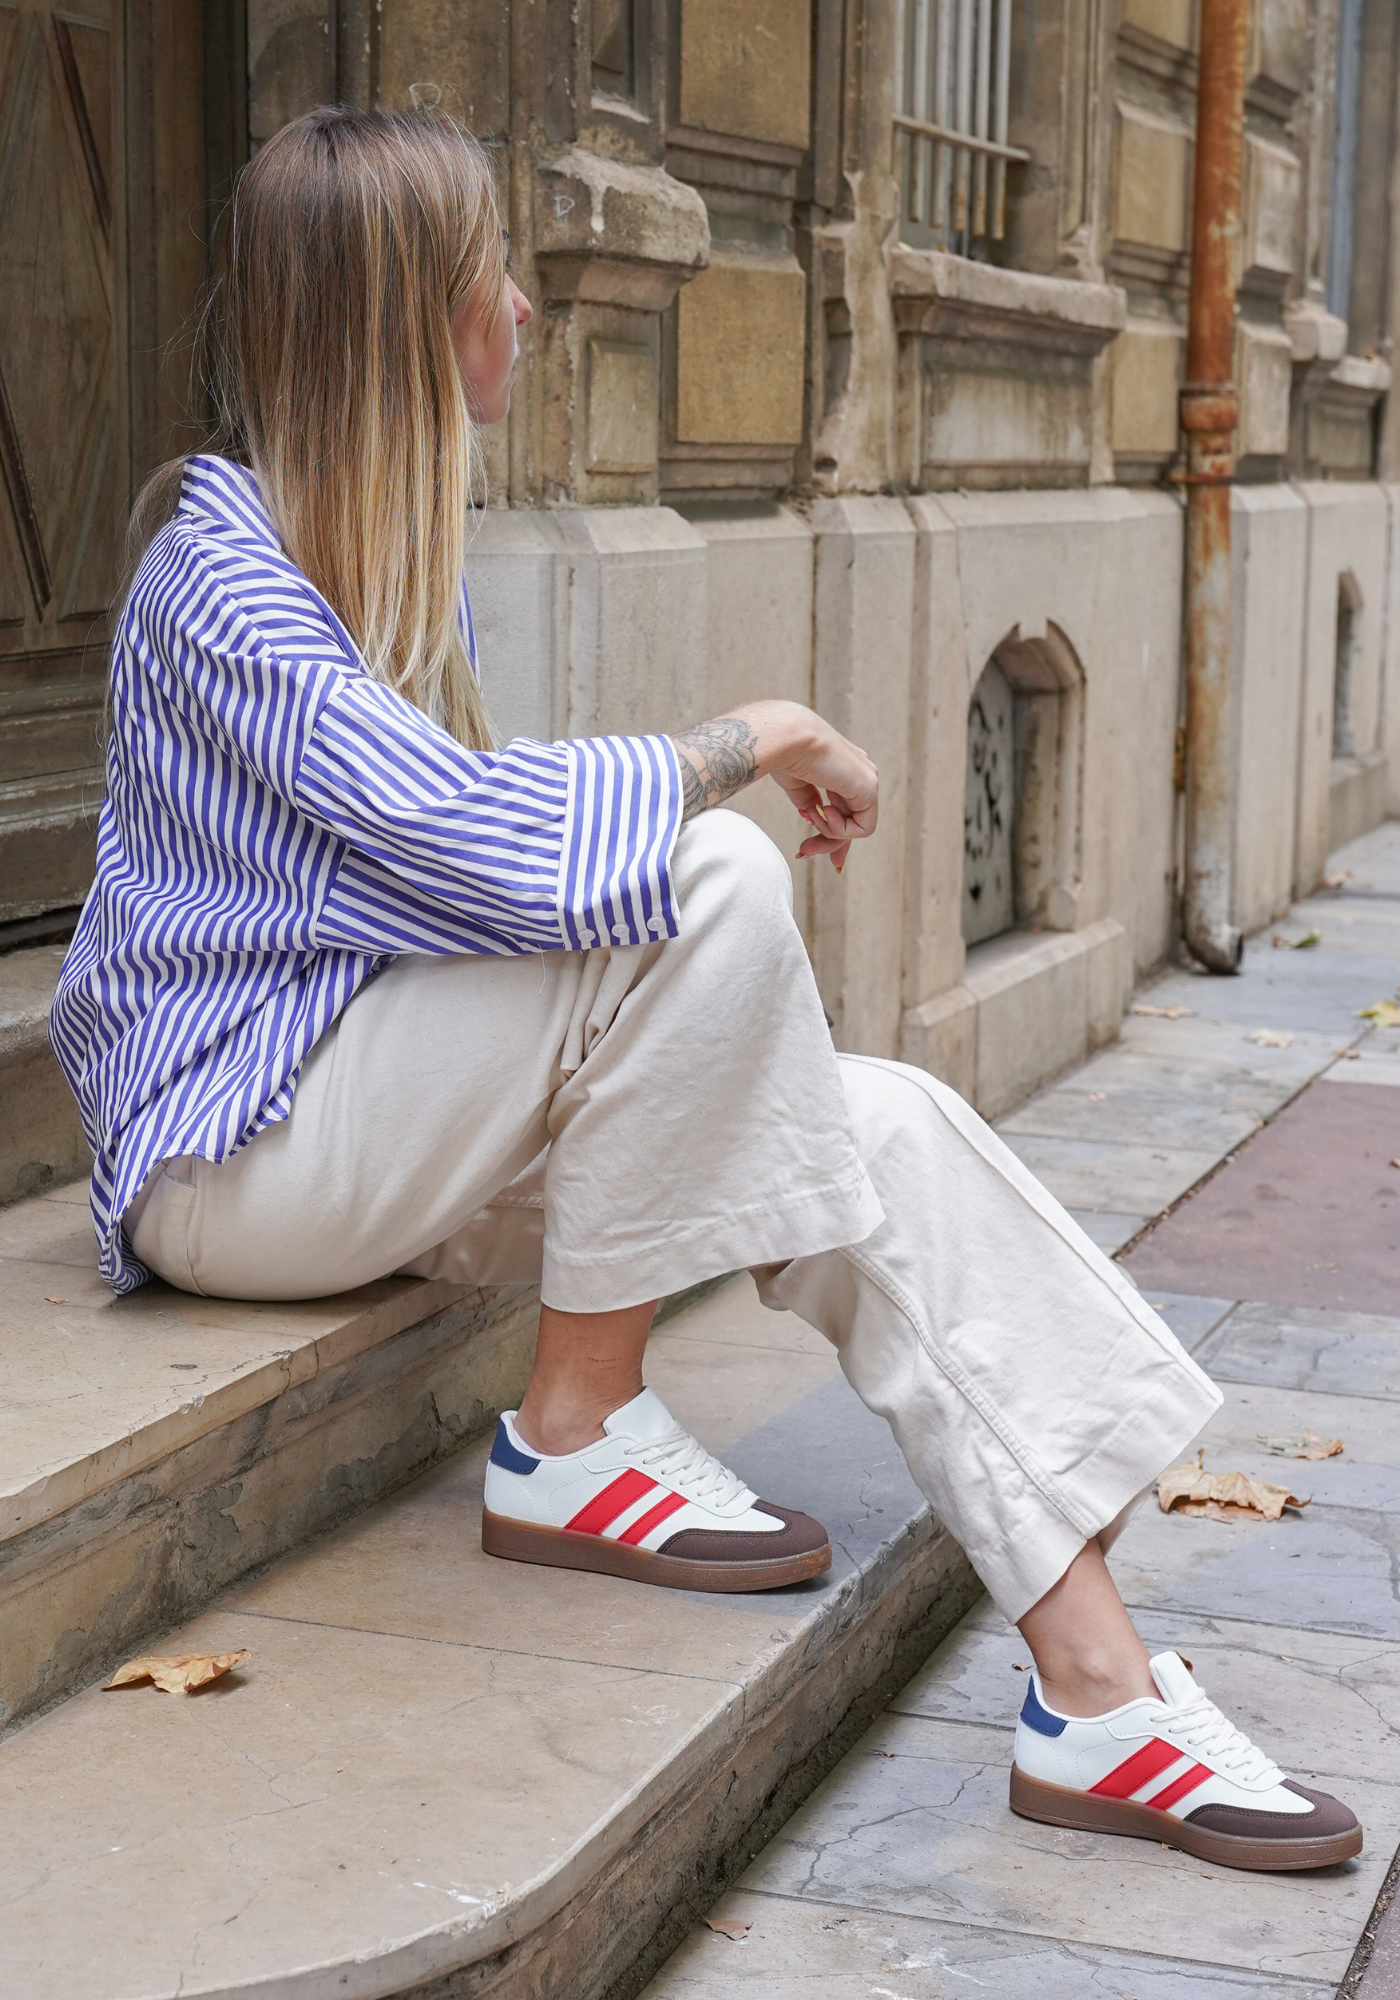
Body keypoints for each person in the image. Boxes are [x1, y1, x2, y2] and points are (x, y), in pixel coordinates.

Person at [51, 106, 1360, 1876]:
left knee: (872, 1126)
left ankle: (1100, 1692)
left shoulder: (382, 552)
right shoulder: (217, 581)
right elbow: (474, 840)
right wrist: (752, 737)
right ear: (396, 323)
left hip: (375, 1098)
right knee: (715, 872)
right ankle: (574, 1429)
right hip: (236, 1151)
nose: (520, 306)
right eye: (483, 279)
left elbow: (460, 883)